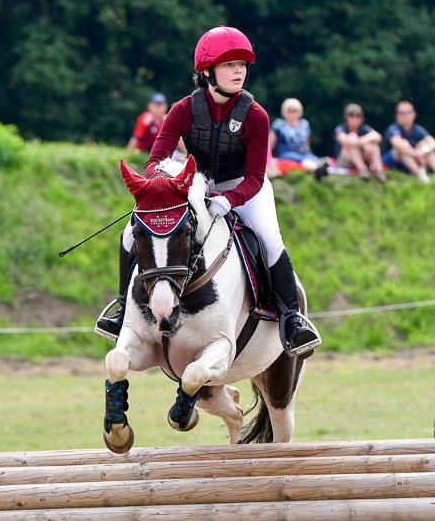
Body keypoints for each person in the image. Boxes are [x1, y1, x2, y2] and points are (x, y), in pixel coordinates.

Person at [97, 25, 320, 356]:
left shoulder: (256, 116)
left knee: (270, 241)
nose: (239, 71)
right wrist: (163, 185)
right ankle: (122, 309)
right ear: (207, 71)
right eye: (230, 65)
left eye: (242, 65)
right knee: (130, 235)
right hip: (194, 186)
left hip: (244, 188)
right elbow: (155, 160)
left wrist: (229, 200)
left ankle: (291, 320)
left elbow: (257, 176)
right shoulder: (182, 110)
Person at [270, 98, 328, 179]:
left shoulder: (304, 124)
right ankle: (316, 170)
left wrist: (310, 154)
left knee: (308, 159)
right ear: (284, 111)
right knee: (304, 161)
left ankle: (316, 170)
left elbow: (307, 144)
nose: (292, 113)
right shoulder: (279, 125)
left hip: (304, 153)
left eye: (295, 110)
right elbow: (269, 145)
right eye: (289, 110)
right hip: (287, 153)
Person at [382, 101, 435, 183]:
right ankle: (421, 176)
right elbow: (397, 143)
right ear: (397, 116)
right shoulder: (394, 128)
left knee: (424, 145)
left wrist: (423, 151)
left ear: (414, 114)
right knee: (403, 146)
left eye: (409, 112)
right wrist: (416, 154)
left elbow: (432, 142)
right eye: (402, 113)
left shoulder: (417, 128)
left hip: (410, 161)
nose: (406, 115)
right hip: (391, 163)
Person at [334, 104, 387, 182]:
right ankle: (363, 170)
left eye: (357, 116)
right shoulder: (341, 128)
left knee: (373, 145)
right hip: (345, 160)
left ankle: (379, 171)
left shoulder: (364, 128)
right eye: (351, 115)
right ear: (346, 117)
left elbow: (378, 136)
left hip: (361, 156)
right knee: (352, 138)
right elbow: (343, 139)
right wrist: (363, 143)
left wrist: (363, 142)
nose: (354, 118)